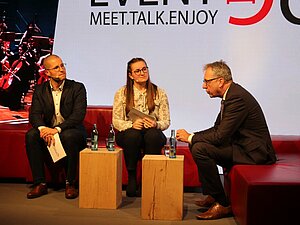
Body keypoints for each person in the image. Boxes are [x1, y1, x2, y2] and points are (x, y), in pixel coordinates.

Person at [176, 60, 277, 220]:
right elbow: (217, 129)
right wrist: (192, 136)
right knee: (196, 144)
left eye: (206, 81)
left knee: (199, 148)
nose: (204, 86)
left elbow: (220, 136)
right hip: (241, 147)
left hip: (255, 154)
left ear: (220, 81)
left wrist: (190, 137)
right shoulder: (230, 95)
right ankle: (213, 195)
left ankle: (222, 203)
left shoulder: (236, 98)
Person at [25, 54, 87, 199]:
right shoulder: (40, 90)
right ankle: (40, 183)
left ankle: (70, 183)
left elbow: (78, 116)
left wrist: (56, 130)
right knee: (31, 135)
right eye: (56, 67)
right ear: (47, 73)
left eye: (62, 65)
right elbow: (34, 115)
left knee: (69, 135)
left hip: (72, 130)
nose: (62, 69)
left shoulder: (77, 88)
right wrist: (42, 129)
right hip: (49, 129)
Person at [113, 57, 170, 197]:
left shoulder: (159, 92)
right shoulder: (122, 93)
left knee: (153, 135)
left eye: (144, 69)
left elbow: (166, 121)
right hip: (129, 133)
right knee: (133, 135)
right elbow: (116, 120)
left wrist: (156, 124)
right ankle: (132, 178)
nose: (142, 73)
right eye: (137, 71)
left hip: (151, 133)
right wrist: (131, 125)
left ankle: (149, 179)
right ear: (130, 75)